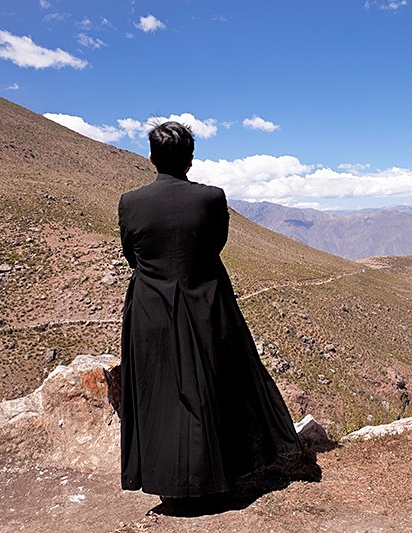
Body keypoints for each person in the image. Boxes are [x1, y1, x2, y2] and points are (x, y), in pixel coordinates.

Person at [118, 121, 307, 506]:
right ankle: (219, 473)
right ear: (190, 159)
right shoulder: (211, 198)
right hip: (205, 301)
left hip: (150, 308)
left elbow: (130, 256)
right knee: (213, 386)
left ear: (151, 158)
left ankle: (165, 478)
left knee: (159, 392)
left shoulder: (131, 202)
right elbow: (215, 244)